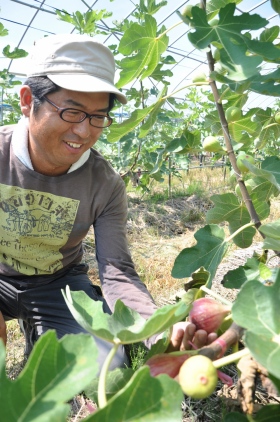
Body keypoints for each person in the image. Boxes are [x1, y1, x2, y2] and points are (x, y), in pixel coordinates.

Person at [0, 34, 216, 371]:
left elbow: (117, 271)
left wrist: (156, 328)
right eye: (72, 112)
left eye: (98, 117)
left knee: (107, 367)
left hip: (58, 284)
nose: (84, 132)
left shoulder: (105, 183)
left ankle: (45, 328)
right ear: (28, 101)